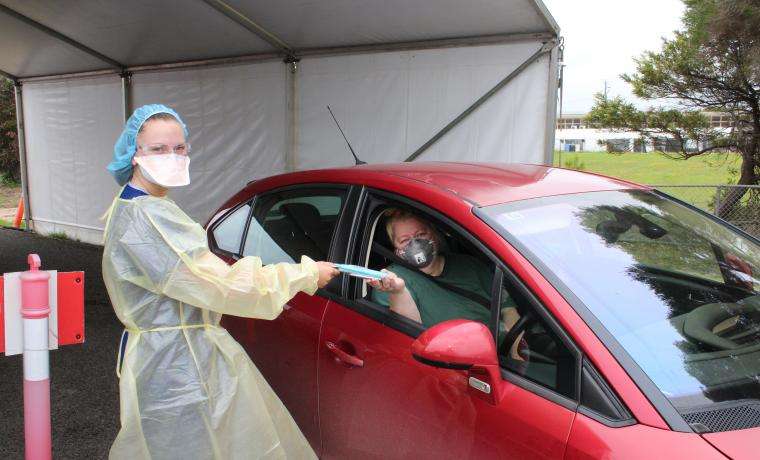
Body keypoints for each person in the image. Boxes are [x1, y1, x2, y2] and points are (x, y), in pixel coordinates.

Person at [102, 104, 338, 459]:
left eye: (179, 148)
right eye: (158, 149)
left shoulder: (141, 205)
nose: (172, 156)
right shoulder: (147, 216)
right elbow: (220, 285)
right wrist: (305, 274)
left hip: (176, 354)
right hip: (176, 363)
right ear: (133, 155)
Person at [368, 209, 521, 351]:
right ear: (396, 250)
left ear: (434, 234)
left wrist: (515, 351)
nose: (415, 244)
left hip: (508, 355)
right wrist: (398, 291)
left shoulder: (468, 264)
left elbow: (508, 309)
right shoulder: (391, 282)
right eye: (404, 240)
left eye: (421, 234)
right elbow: (410, 339)